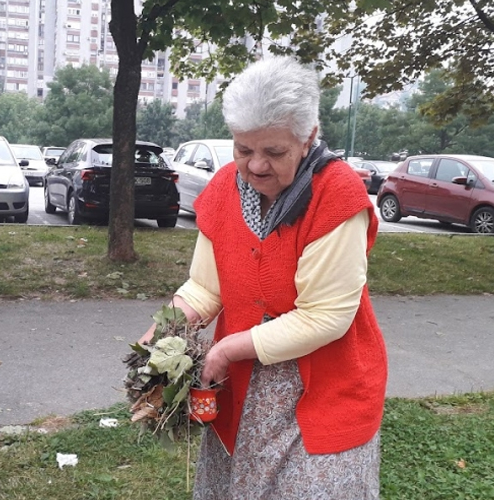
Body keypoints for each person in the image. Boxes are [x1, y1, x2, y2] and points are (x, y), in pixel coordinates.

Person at [138, 56, 387, 499]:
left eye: (274, 152)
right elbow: (205, 286)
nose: (254, 166)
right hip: (244, 385)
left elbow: (325, 317)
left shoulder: (336, 194)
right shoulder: (222, 189)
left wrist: (227, 349)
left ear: (309, 138)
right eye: (243, 149)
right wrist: (168, 330)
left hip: (325, 387)